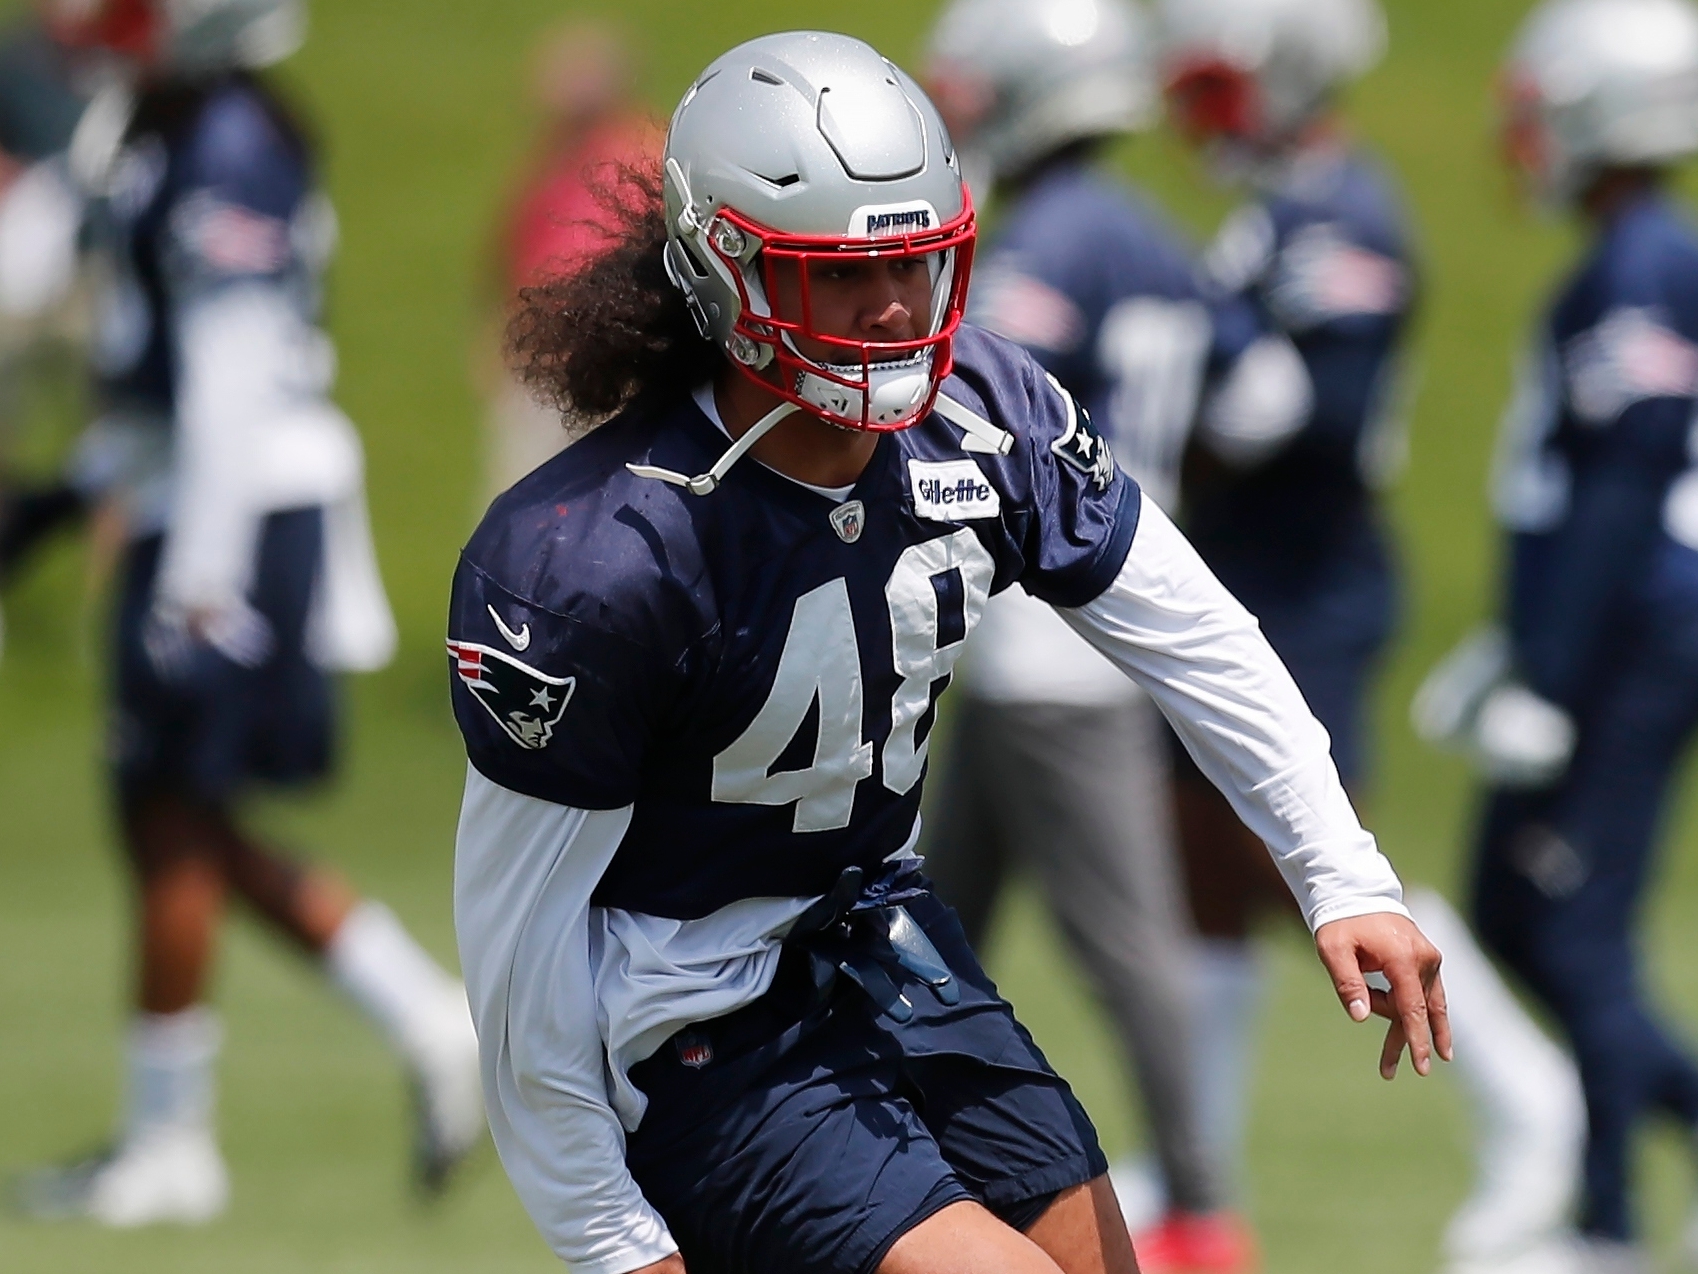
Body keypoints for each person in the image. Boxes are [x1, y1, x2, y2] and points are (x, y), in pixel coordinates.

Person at [451, 30, 1449, 1274]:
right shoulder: (602, 553)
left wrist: (1339, 871)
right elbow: (516, 935)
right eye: (839, 276)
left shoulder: (983, 408)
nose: (890, 312)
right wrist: (605, 1231)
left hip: (882, 934)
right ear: (726, 275)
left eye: (914, 268)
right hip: (690, 1003)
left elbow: (1192, 631)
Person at [16, 0, 483, 1227]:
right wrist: (77, 489)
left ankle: (173, 1142)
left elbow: (230, 374)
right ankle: (428, 1018)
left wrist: (202, 576)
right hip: (190, 489)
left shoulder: (228, 137)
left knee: (173, 810)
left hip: (236, 508)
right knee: (180, 818)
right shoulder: (161, 121)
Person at [919, 0, 1313, 1267]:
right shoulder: (1154, 235)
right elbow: (1268, 399)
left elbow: (977, 412)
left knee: (1124, 943)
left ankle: (1202, 1204)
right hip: (1082, 638)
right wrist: (1151, 468)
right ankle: (902, 1161)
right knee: (922, 917)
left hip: (1049, 649)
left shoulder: (1051, 239)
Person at [1421, 0, 1698, 1266]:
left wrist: (1554, 671)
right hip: (1600, 636)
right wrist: (1511, 648)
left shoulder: (1644, 259)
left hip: (1631, 640)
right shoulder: (1624, 255)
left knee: (1572, 925)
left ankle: (1607, 1216)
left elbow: (1633, 472)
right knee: (1516, 908)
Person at [1152, 0, 1415, 1209]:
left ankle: (1537, 1099)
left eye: (1223, 83)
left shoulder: (1343, 214)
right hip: (1243, 575)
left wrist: (1197, 411)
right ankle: (1194, 1161)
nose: (1202, 114)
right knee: (1204, 872)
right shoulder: (1279, 213)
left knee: (1324, 857)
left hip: (1309, 577)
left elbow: (1311, 415)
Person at [476, 19, 661, 500]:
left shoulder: (644, 157)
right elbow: (510, 251)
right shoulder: (549, 161)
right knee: (517, 507)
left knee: (611, 501)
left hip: (614, 371)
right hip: (539, 371)